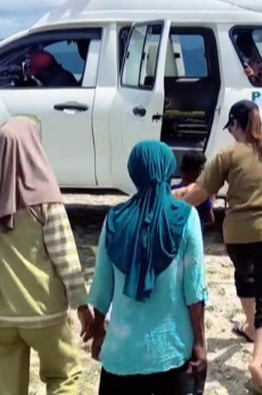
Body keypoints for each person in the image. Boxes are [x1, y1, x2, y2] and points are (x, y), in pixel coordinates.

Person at [174, 100, 262, 394]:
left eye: (231, 127)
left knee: (245, 277)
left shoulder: (228, 154)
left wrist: (171, 205)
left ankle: (250, 325)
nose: (231, 133)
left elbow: (200, 192)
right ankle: (257, 362)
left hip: (237, 236)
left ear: (237, 125)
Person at [86, 140, 208, 395]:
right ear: (168, 170)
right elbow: (194, 290)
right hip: (172, 351)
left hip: (122, 355)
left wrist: (98, 333)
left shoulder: (114, 220)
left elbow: (102, 287)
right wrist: (199, 342)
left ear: (134, 172)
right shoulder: (186, 217)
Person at [0, 116, 92, 395]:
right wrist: (81, 304)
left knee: (7, 386)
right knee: (65, 375)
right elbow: (66, 258)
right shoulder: (46, 200)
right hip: (45, 313)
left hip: (3, 316)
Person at [172, 150, 215, 234]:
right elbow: (210, 219)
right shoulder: (201, 194)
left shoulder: (172, 191)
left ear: (182, 169)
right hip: (194, 240)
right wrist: (211, 200)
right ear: (200, 173)